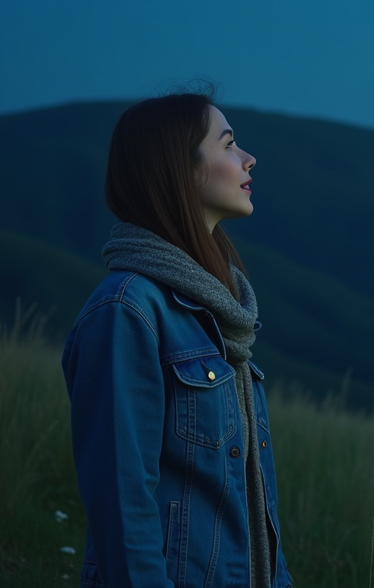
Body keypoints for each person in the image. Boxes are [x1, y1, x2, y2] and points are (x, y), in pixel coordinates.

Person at [61, 90, 293, 587]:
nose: (248, 158)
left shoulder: (221, 312)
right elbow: (123, 509)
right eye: (228, 144)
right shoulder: (126, 311)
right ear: (179, 168)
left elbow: (251, 510)